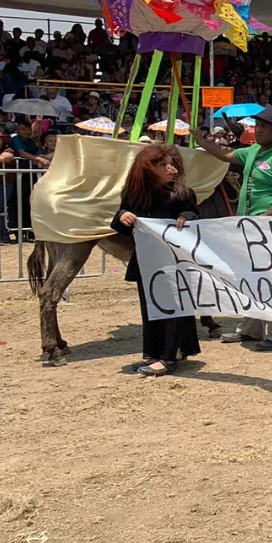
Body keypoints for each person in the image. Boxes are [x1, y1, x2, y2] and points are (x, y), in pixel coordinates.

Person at [193, 107, 272, 351]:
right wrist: (201, 141)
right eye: (257, 125)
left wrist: (268, 215)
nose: (260, 129)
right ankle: (251, 329)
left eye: (265, 125)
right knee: (252, 277)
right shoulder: (255, 150)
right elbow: (226, 155)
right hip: (252, 228)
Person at [110, 145, 202, 376]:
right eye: (163, 165)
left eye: (171, 163)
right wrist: (123, 216)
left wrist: (186, 217)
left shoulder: (183, 194)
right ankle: (153, 353)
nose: (171, 169)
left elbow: (195, 216)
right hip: (147, 261)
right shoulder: (134, 196)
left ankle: (169, 356)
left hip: (175, 260)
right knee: (151, 307)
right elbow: (120, 227)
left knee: (175, 306)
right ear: (148, 168)